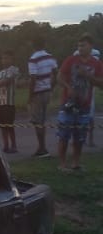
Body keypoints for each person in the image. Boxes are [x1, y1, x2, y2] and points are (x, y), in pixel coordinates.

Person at [56, 34, 103, 170]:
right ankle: (62, 164)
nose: (80, 48)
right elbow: (59, 77)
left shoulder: (96, 64)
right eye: (78, 45)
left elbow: (101, 82)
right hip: (68, 104)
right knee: (64, 135)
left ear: (90, 46)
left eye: (83, 45)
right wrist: (68, 87)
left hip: (85, 104)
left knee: (80, 137)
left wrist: (88, 75)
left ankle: (76, 163)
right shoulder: (71, 60)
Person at [27, 35, 58, 157]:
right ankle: (42, 147)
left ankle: (42, 149)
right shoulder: (50, 57)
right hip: (47, 91)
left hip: (38, 93)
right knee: (43, 121)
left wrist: (30, 96)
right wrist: (51, 87)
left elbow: (33, 79)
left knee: (37, 122)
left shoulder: (33, 59)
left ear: (33, 45)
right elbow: (55, 73)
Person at [70, 37, 100, 147]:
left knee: (90, 114)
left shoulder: (96, 54)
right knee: (76, 113)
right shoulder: (76, 54)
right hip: (78, 86)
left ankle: (90, 139)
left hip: (90, 87)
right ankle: (76, 139)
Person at [0, 50, 20, 153]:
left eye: (7, 58)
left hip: (9, 102)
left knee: (9, 125)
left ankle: (14, 145)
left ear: (12, 59)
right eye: (3, 58)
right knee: (2, 125)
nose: (4, 60)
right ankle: (6, 145)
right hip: (0, 102)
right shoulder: (0, 72)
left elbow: (7, 81)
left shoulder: (14, 70)